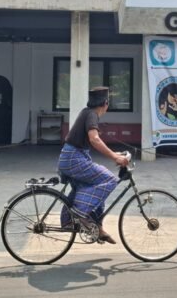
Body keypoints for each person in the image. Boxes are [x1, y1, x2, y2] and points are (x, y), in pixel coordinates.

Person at [58, 86, 129, 245]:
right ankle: (81, 214)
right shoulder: (92, 115)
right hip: (74, 159)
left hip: (73, 157)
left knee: (98, 190)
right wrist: (114, 157)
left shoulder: (87, 112)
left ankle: (97, 227)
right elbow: (94, 139)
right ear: (105, 103)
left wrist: (115, 153)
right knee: (109, 179)